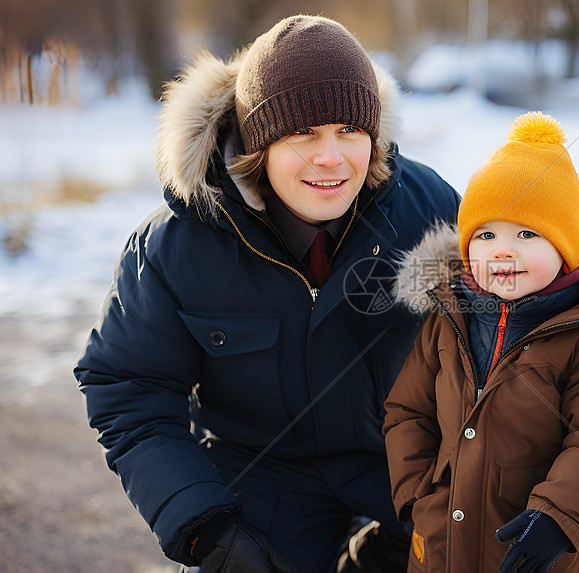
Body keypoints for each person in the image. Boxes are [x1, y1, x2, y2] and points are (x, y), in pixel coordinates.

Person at [74, 15, 460, 573]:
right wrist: (203, 524)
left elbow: (505, 321)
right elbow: (131, 389)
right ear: (257, 142)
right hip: (265, 475)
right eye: (303, 133)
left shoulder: (427, 209)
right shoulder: (176, 244)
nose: (331, 157)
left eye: (350, 131)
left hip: (404, 463)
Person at [383, 112, 579, 572]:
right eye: (486, 234)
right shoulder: (448, 316)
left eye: (527, 233)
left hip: (538, 546)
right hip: (443, 542)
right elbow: (407, 411)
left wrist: (559, 517)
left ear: (565, 248)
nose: (502, 249)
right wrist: (418, 495)